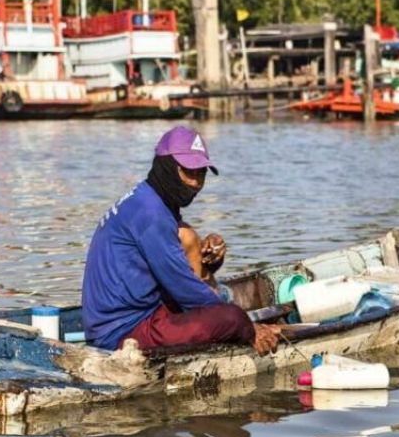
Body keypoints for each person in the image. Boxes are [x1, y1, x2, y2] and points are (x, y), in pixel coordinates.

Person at [81, 126, 279, 355]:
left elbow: (176, 267)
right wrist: (249, 328)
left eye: (201, 174)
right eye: (188, 172)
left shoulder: (148, 198)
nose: (195, 183)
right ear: (167, 167)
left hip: (135, 314)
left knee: (186, 234)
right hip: (120, 333)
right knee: (232, 318)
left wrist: (211, 265)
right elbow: (183, 287)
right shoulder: (151, 214)